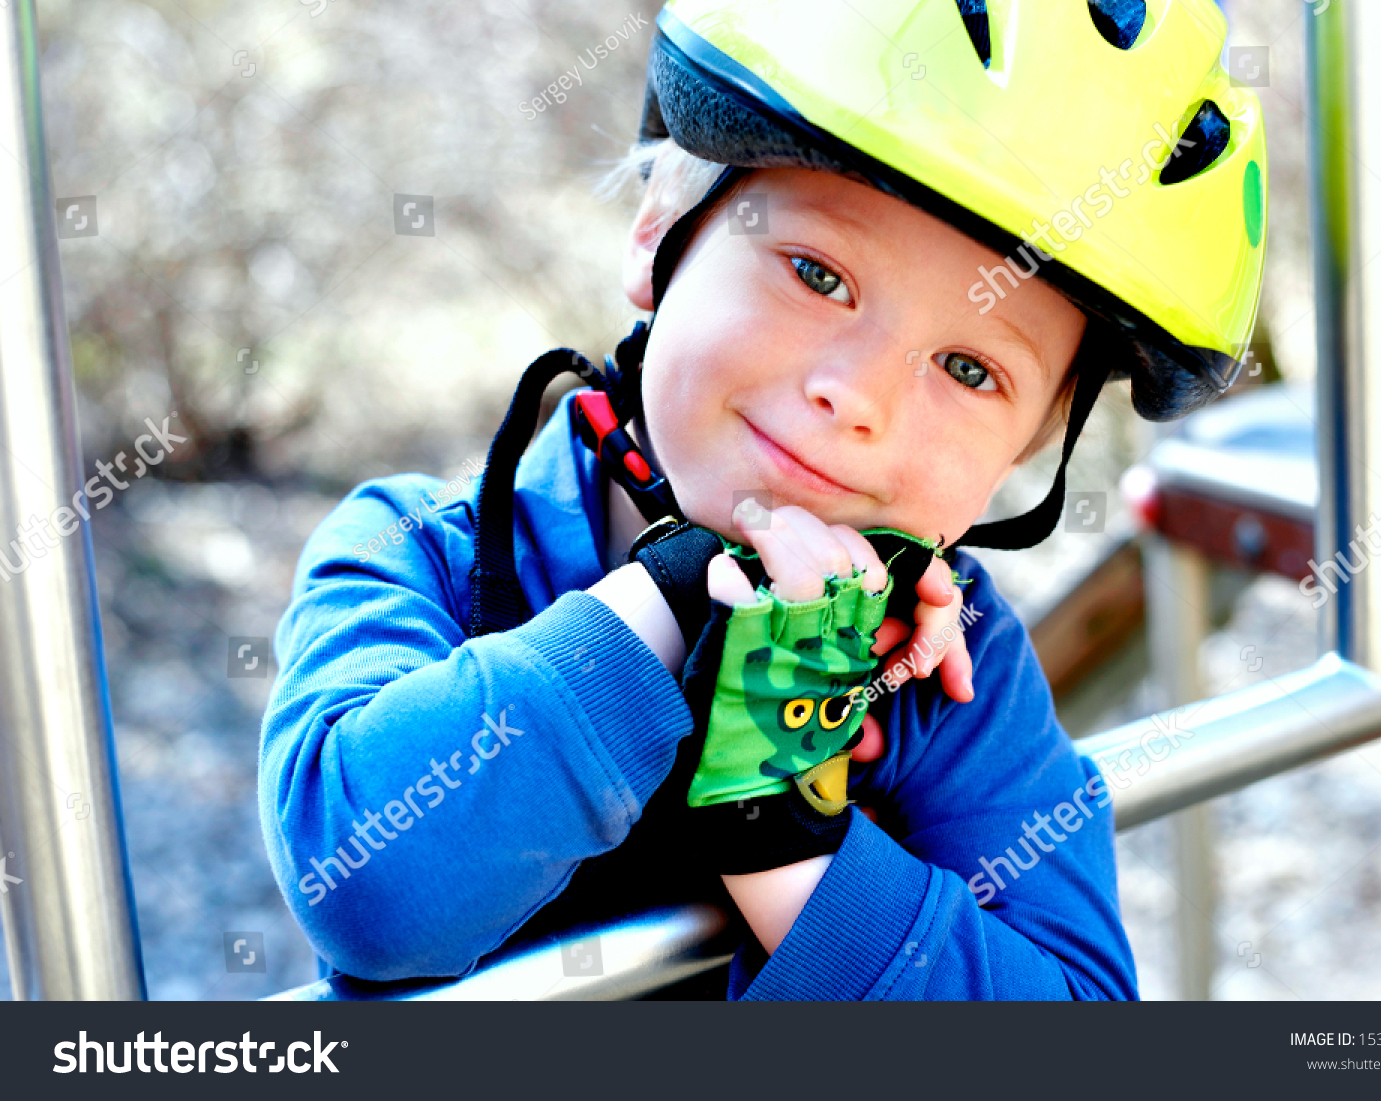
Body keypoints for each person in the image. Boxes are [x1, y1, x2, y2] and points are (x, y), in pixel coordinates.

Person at [259, 0, 1265, 999]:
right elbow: (364, 891)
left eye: (967, 368)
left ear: (1032, 443)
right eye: (818, 274)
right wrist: (683, 596)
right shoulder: (423, 552)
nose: (858, 398)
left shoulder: (953, 677)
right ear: (660, 233)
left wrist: (783, 830)